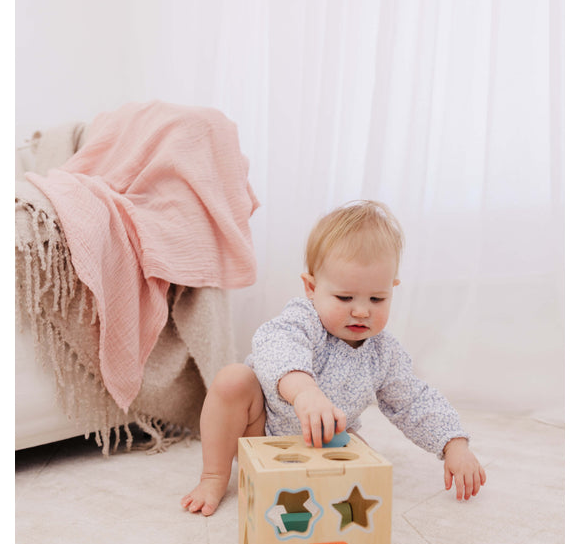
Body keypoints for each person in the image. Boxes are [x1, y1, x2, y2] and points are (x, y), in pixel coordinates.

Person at [180, 200, 486, 516]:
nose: (361, 310)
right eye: (344, 297)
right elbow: (275, 346)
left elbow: (413, 401)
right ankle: (213, 477)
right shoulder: (304, 319)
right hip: (259, 434)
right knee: (233, 379)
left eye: (377, 299)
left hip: (324, 441)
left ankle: (316, 491)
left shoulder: (384, 352)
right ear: (311, 287)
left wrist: (454, 444)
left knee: (366, 470)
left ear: (392, 290)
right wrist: (304, 392)